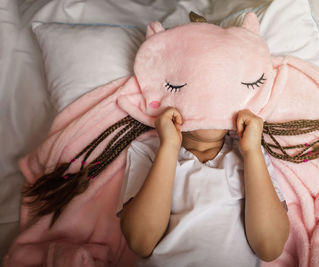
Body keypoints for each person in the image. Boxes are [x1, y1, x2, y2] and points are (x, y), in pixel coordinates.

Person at [118, 107, 290, 266]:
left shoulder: (251, 153)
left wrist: (252, 152)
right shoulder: (148, 151)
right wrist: (169, 147)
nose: (210, 106)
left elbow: (270, 247)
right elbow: (140, 241)